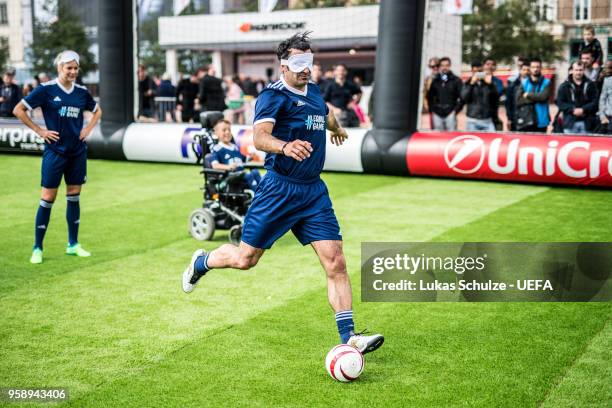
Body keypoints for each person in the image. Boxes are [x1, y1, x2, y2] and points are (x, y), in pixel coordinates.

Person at [181, 32, 384, 355]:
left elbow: (326, 112)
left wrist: (338, 129)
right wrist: (285, 146)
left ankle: (349, 337)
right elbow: (259, 136)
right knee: (246, 259)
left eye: (309, 63)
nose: (306, 69)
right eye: (299, 63)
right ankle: (202, 262)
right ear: (283, 66)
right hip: (278, 189)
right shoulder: (272, 97)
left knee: (336, 262)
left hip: (313, 192)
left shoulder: (315, 91)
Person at [12, 50, 102, 264]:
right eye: (68, 68)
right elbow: (18, 110)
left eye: (75, 68)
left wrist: (88, 129)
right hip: (55, 152)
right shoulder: (46, 90)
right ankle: (37, 248)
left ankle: (73, 244)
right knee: (47, 198)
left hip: (77, 152)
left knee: (74, 195)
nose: (72, 72)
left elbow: (97, 111)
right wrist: (40, 131)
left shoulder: (82, 92)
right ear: (59, 68)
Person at [210, 119, 262, 189]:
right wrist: (228, 167)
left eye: (229, 130)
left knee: (255, 172)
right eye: (224, 130)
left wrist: (251, 157)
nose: (227, 132)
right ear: (216, 133)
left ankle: (264, 192)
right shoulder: (217, 148)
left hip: (241, 174)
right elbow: (215, 165)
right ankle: (257, 196)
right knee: (248, 175)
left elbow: (243, 159)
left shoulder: (234, 147)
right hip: (230, 176)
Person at [556, 61, 599, 135]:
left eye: (580, 70)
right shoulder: (564, 86)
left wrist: (583, 110)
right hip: (570, 123)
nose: (578, 72)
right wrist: (573, 110)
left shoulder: (591, 85)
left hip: (587, 123)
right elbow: (560, 103)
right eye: (576, 70)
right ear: (572, 70)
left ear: (584, 70)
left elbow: (595, 102)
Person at [426, 56, 462, 131]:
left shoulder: (456, 80)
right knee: (438, 138)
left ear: (449, 66)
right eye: (442, 65)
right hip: (437, 114)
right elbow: (430, 96)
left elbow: (462, 97)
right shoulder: (435, 80)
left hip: (450, 113)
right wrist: (432, 110)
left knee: (451, 137)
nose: (444, 67)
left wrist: (455, 111)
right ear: (440, 67)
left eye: (446, 65)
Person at [461, 61, 498, 131]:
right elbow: (464, 98)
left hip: (487, 119)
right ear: (472, 71)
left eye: (480, 71)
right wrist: (471, 84)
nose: (478, 74)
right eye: (475, 72)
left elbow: (495, 98)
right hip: (473, 120)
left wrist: (490, 84)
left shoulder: (488, 83)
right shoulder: (467, 83)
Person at [515, 58, 551, 133]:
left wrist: (528, 94)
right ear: (530, 68)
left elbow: (543, 97)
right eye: (533, 67)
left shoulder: (546, 82)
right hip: (526, 120)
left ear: (541, 68)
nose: (535, 69)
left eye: (538, 67)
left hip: (541, 121)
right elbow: (518, 100)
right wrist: (537, 98)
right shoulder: (524, 82)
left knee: (540, 144)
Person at [324, 63, 362, 128]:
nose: (340, 72)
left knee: (356, 128)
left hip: (348, 113)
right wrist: (334, 109)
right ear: (335, 72)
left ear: (346, 72)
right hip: (335, 115)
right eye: (338, 70)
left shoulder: (350, 85)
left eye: (342, 70)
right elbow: (324, 101)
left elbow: (360, 93)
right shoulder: (330, 85)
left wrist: (354, 103)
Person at [506, 62, 530, 131]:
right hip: (515, 118)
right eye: (524, 69)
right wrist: (509, 119)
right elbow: (508, 103)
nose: (526, 72)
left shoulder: (533, 85)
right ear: (520, 70)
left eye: (528, 70)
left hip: (529, 119)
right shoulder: (512, 85)